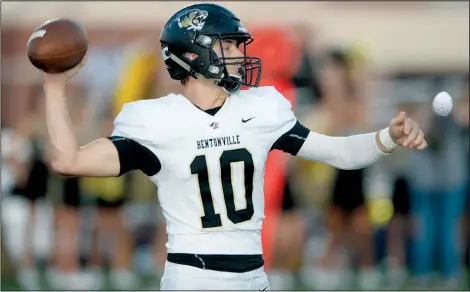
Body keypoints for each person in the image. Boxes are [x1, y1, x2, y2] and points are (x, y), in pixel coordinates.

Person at [40, 3, 428, 290]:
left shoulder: (261, 108)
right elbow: (68, 159)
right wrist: (54, 85)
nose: (240, 55)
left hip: (254, 277)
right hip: (193, 277)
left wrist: (387, 138)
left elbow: (340, 153)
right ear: (194, 54)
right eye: (228, 46)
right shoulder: (154, 120)